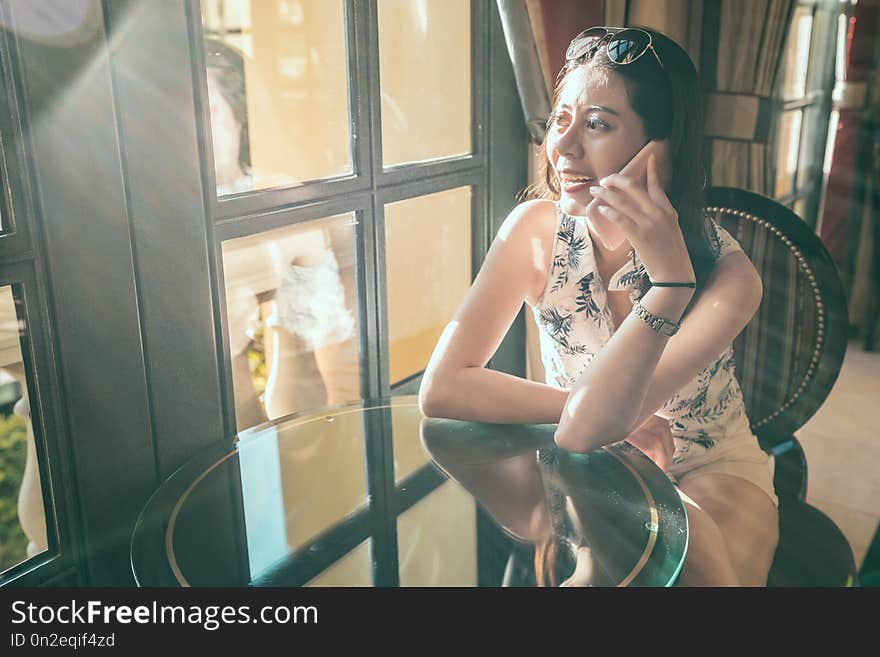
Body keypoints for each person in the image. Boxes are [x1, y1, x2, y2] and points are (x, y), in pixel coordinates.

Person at [418, 26, 779, 586]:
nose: (562, 147)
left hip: (710, 465)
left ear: (663, 148)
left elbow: (589, 426)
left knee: (704, 567)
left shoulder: (731, 276)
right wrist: (584, 407)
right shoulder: (535, 232)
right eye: (560, 121)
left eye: (597, 124)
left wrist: (669, 286)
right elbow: (442, 388)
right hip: (587, 467)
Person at [205, 38, 359, 431]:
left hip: (266, 418)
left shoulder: (276, 199)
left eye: (206, 112)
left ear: (240, 115)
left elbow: (305, 370)